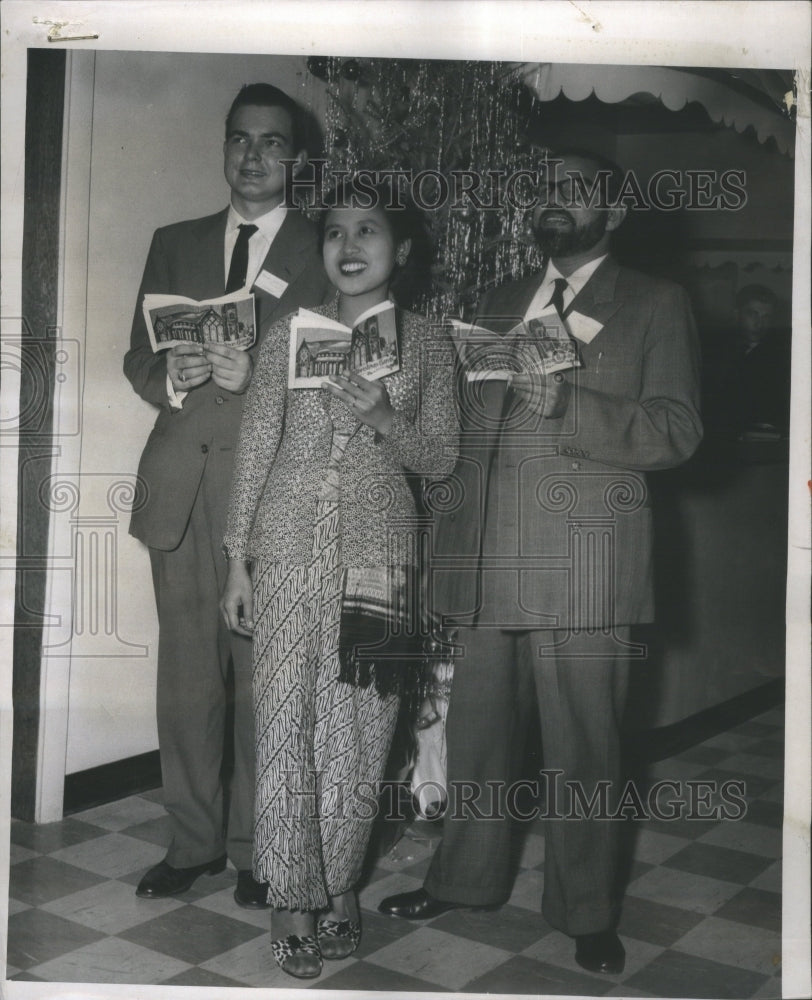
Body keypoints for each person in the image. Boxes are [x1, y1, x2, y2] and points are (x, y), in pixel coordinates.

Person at [379, 150, 703, 976]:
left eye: (578, 191)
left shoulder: (656, 303)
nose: (556, 203)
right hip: (491, 560)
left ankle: (588, 911)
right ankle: (465, 880)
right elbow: (468, 437)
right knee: (480, 735)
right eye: (546, 191)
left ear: (615, 213)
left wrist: (571, 402)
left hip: (587, 565)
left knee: (585, 748)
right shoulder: (495, 301)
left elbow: (676, 431)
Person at [220, 182, 458, 979]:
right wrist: (235, 561)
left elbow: (442, 458)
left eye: (369, 230)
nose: (349, 244)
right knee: (286, 727)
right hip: (287, 550)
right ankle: (291, 895)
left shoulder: (427, 344)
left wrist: (384, 417)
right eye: (334, 232)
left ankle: (342, 885)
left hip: (382, 556)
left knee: (363, 737)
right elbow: (256, 447)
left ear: (404, 250)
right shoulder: (291, 329)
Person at [124, 83, 331, 907]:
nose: (253, 156)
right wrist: (168, 379)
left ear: (296, 157)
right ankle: (193, 843)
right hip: (179, 487)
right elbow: (134, 357)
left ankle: (257, 850)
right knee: (187, 682)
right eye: (240, 139)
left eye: (272, 142)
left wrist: (264, 379)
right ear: (225, 147)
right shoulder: (172, 242)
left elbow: (340, 375)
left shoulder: (330, 248)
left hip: (269, 491)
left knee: (260, 681)